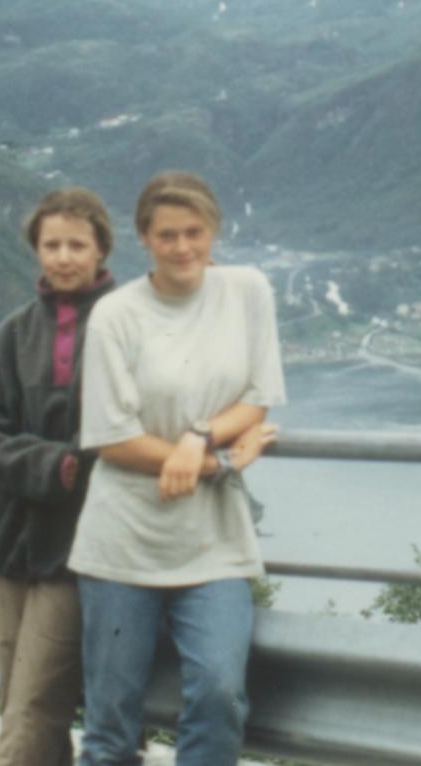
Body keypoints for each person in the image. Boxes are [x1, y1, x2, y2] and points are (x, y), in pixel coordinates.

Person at [67, 171, 283, 766]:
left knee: (218, 693)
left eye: (194, 232)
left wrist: (197, 438)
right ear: (144, 238)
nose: (183, 247)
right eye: (167, 235)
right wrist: (217, 463)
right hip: (122, 542)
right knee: (111, 723)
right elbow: (113, 440)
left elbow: (258, 398)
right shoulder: (116, 315)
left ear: (213, 231)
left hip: (213, 541)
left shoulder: (247, 291)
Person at [0, 187, 117, 765]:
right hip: (13, 536)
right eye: (52, 244)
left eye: (78, 244)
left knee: (31, 705)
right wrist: (56, 464)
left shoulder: (128, 323)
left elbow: (138, 424)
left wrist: (79, 465)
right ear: (36, 251)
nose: (64, 256)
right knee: (19, 699)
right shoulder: (11, 334)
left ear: (102, 248)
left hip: (83, 540)